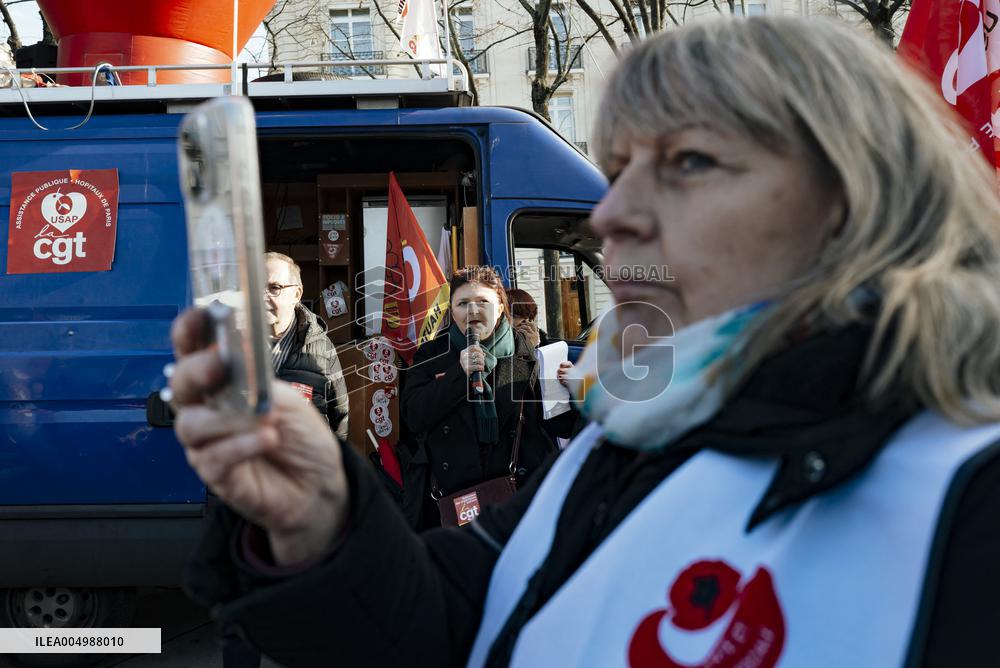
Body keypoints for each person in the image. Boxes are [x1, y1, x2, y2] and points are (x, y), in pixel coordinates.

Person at [169, 17, 1000, 667]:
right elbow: (451, 625)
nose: (610, 214)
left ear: (859, 202)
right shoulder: (624, 438)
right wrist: (322, 522)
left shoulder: (968, 492)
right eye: (619, 165)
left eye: (690, 161)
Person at [397, 267, 572, 529]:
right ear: (451, 310)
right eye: (463, 303)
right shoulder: (431, 355)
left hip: (522, 497)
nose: (473, 311)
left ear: (501, 307)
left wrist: (575, 391)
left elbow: (562, 426)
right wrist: (459, 375)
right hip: (453, 500)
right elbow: (413, 417)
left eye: (483, 302)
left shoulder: (532, 355)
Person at [264, 251, 348, 441]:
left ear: (296, 294)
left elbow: (340, 418)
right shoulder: (232, 346)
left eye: (274, 287)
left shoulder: (321, 349)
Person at [506, 287, 574, 386]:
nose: (526, 321)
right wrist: (529, 348)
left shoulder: (542, 342)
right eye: (517, 316)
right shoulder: (502, 346)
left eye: (530, 316)